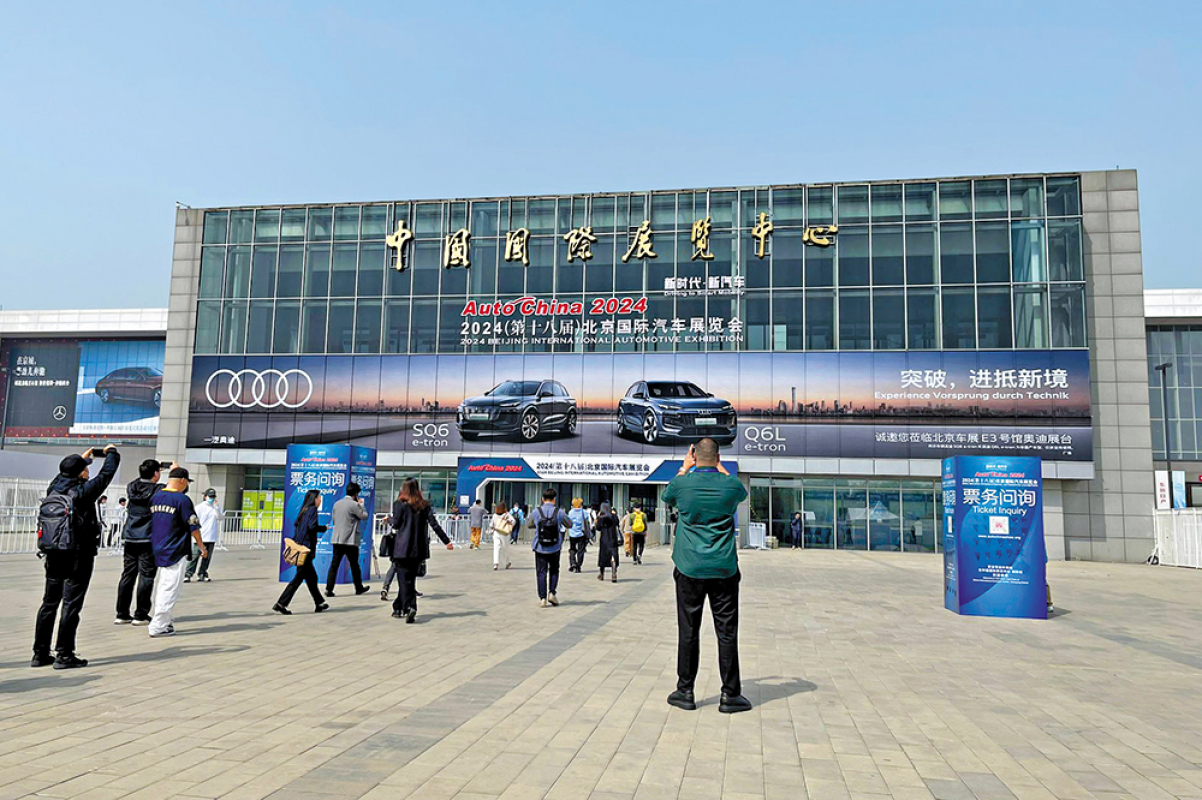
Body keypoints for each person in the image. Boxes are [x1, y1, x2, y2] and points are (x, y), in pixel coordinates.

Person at [662, 438, 752, 714]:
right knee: (727, 632)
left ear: (694, 456)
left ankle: (685, 691)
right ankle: (730, 695)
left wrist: (684, 468)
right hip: (723, 567)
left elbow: (667, 496)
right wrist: (721, 468)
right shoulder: (731, 486)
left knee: (688, 630)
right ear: (718, 457)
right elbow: (741, 492)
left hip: (689, 567)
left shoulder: (682, 484)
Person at [32, 445, 121, 669]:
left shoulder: (54, 489)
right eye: (85, 469)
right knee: (71, 604)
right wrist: (112, 453)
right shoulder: (83, 492)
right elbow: (107, 474)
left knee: (49, 602)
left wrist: (82, 460)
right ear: (81, 473)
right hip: (78, 554)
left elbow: (64, 474)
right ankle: (64, 654)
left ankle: (40, 653)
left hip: (53, 552)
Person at [148, 467, 207, 638]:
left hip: (158, 545)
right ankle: (158, 625)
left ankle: (164, 622)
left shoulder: (156, 497)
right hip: (175, 547)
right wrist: (201, 546)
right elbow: (193, 525)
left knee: (163, 585)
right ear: (182, 480)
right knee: (170, 587)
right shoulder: (182, 500)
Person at [389, 478, 453, 623]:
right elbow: (434, 524)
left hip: (402, 548)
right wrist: (446, 541)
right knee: (410, 579)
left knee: (403, 580)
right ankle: (399, 607)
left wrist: (389, 520)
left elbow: (396, 524)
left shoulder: (399, 504)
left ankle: (410, 606)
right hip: (418, 549)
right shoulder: (424, 505)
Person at [115, 459, 163, 626]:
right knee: (146, 575)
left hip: (130, 536)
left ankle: (122, 613)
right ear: (155, 473)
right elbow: (177, 489)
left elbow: (139, 481)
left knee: (128, 575)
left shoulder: (131, 487)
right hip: (148, 537)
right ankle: (140, 614)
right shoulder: (158, 489)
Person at [273, 490, 329, 615]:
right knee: (298, 578)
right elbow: (312, 527)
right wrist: (323, 528)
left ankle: (319, 602)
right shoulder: (313, 510)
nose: (320, 500)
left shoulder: (304, 510)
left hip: (301, 546)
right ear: (314, 499)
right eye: (319, 497)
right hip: (306, 550)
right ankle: (281, 603)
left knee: (312, 577)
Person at [326, 483, 371, 597]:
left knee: (334, 565)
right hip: (350, 540)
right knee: (354, 565)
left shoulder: (337, 504)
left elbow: (334, 520)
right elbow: (364, 516)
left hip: (337, 539)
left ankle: (329, 589)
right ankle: (358, 588)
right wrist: (361, 505)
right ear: (355, 494)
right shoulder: (354, 505)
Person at [529, 487, 569, 608]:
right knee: (554, 570)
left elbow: (529, 524)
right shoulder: (559, 512)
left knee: (541, 572)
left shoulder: (536, 511)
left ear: (542, 499)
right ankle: (552, 592)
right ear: (554, 499)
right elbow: (569, 524)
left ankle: (542, 598)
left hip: (540, 546)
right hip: (555, 546)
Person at [185, 488, 223, 582]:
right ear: (205, 497)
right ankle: (188, 574)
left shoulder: (215, 507)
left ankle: (202, 573)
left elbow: (220, 517)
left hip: (211, 536)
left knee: (207, 557)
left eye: (213, 497)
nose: (212, 498)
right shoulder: (199, 507)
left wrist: (217, 508)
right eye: (210, 496)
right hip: (201, 536)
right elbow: (194, 520)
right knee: (195, 556)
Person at [595, 502, 621, 582]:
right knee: (613, 555)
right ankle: (614, 572)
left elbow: (598, 528)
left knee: (603, 557)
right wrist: (614, 514)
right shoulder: (613, 516)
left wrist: (598, 518)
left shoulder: (601, 517)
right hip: (613, 539)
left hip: (604, 540)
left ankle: (601, 574)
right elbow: (617, 523)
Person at [566, 497, 591, 573]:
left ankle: (573, 562)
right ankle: (578, 565)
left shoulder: (570, 512)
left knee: (572, 549)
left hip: (572, 534)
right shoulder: (584, 512)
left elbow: (568, 521)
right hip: (581, 534)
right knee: (581, 550)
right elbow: (587, 520)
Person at [490, 501, 514, 571]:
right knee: (505, 548)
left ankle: (496, 563)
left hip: (496, 532)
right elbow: (513, 521)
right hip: (504, 533)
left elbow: (491, 524)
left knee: (496, 548)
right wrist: (508, 521)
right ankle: (507, 561)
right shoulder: (507, 514)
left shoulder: (495, 515)